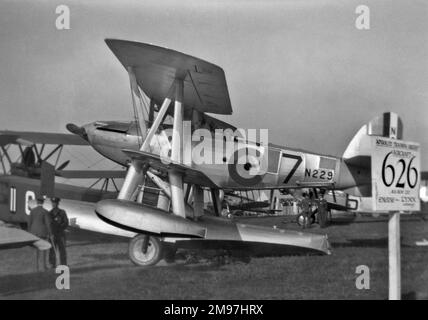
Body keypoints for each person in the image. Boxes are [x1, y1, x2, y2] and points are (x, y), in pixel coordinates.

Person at [28, 197, 52, 271]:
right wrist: (50, 233)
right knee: (44, 249)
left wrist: (29, 232)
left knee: (36, 250)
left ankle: (36, 267)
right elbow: (48, 223)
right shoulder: (45, 211)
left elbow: (29, 222)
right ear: (43, 202)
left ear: (36, 202)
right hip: (43, 232)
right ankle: (44, 266)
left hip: (34, 232)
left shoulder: (32, 211)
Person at [49, 197, 69, 267]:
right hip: (53, 235)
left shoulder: (62, 212)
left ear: (57, 203)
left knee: (62, 250)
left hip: (60, 234)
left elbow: (66, 222)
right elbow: (48, 224)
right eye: (52, 203)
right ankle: (52, 264)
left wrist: (60, 227)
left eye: (55, 203)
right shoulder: (50, 213)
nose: (53, 204)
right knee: (52, 250)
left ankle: (63, 264)